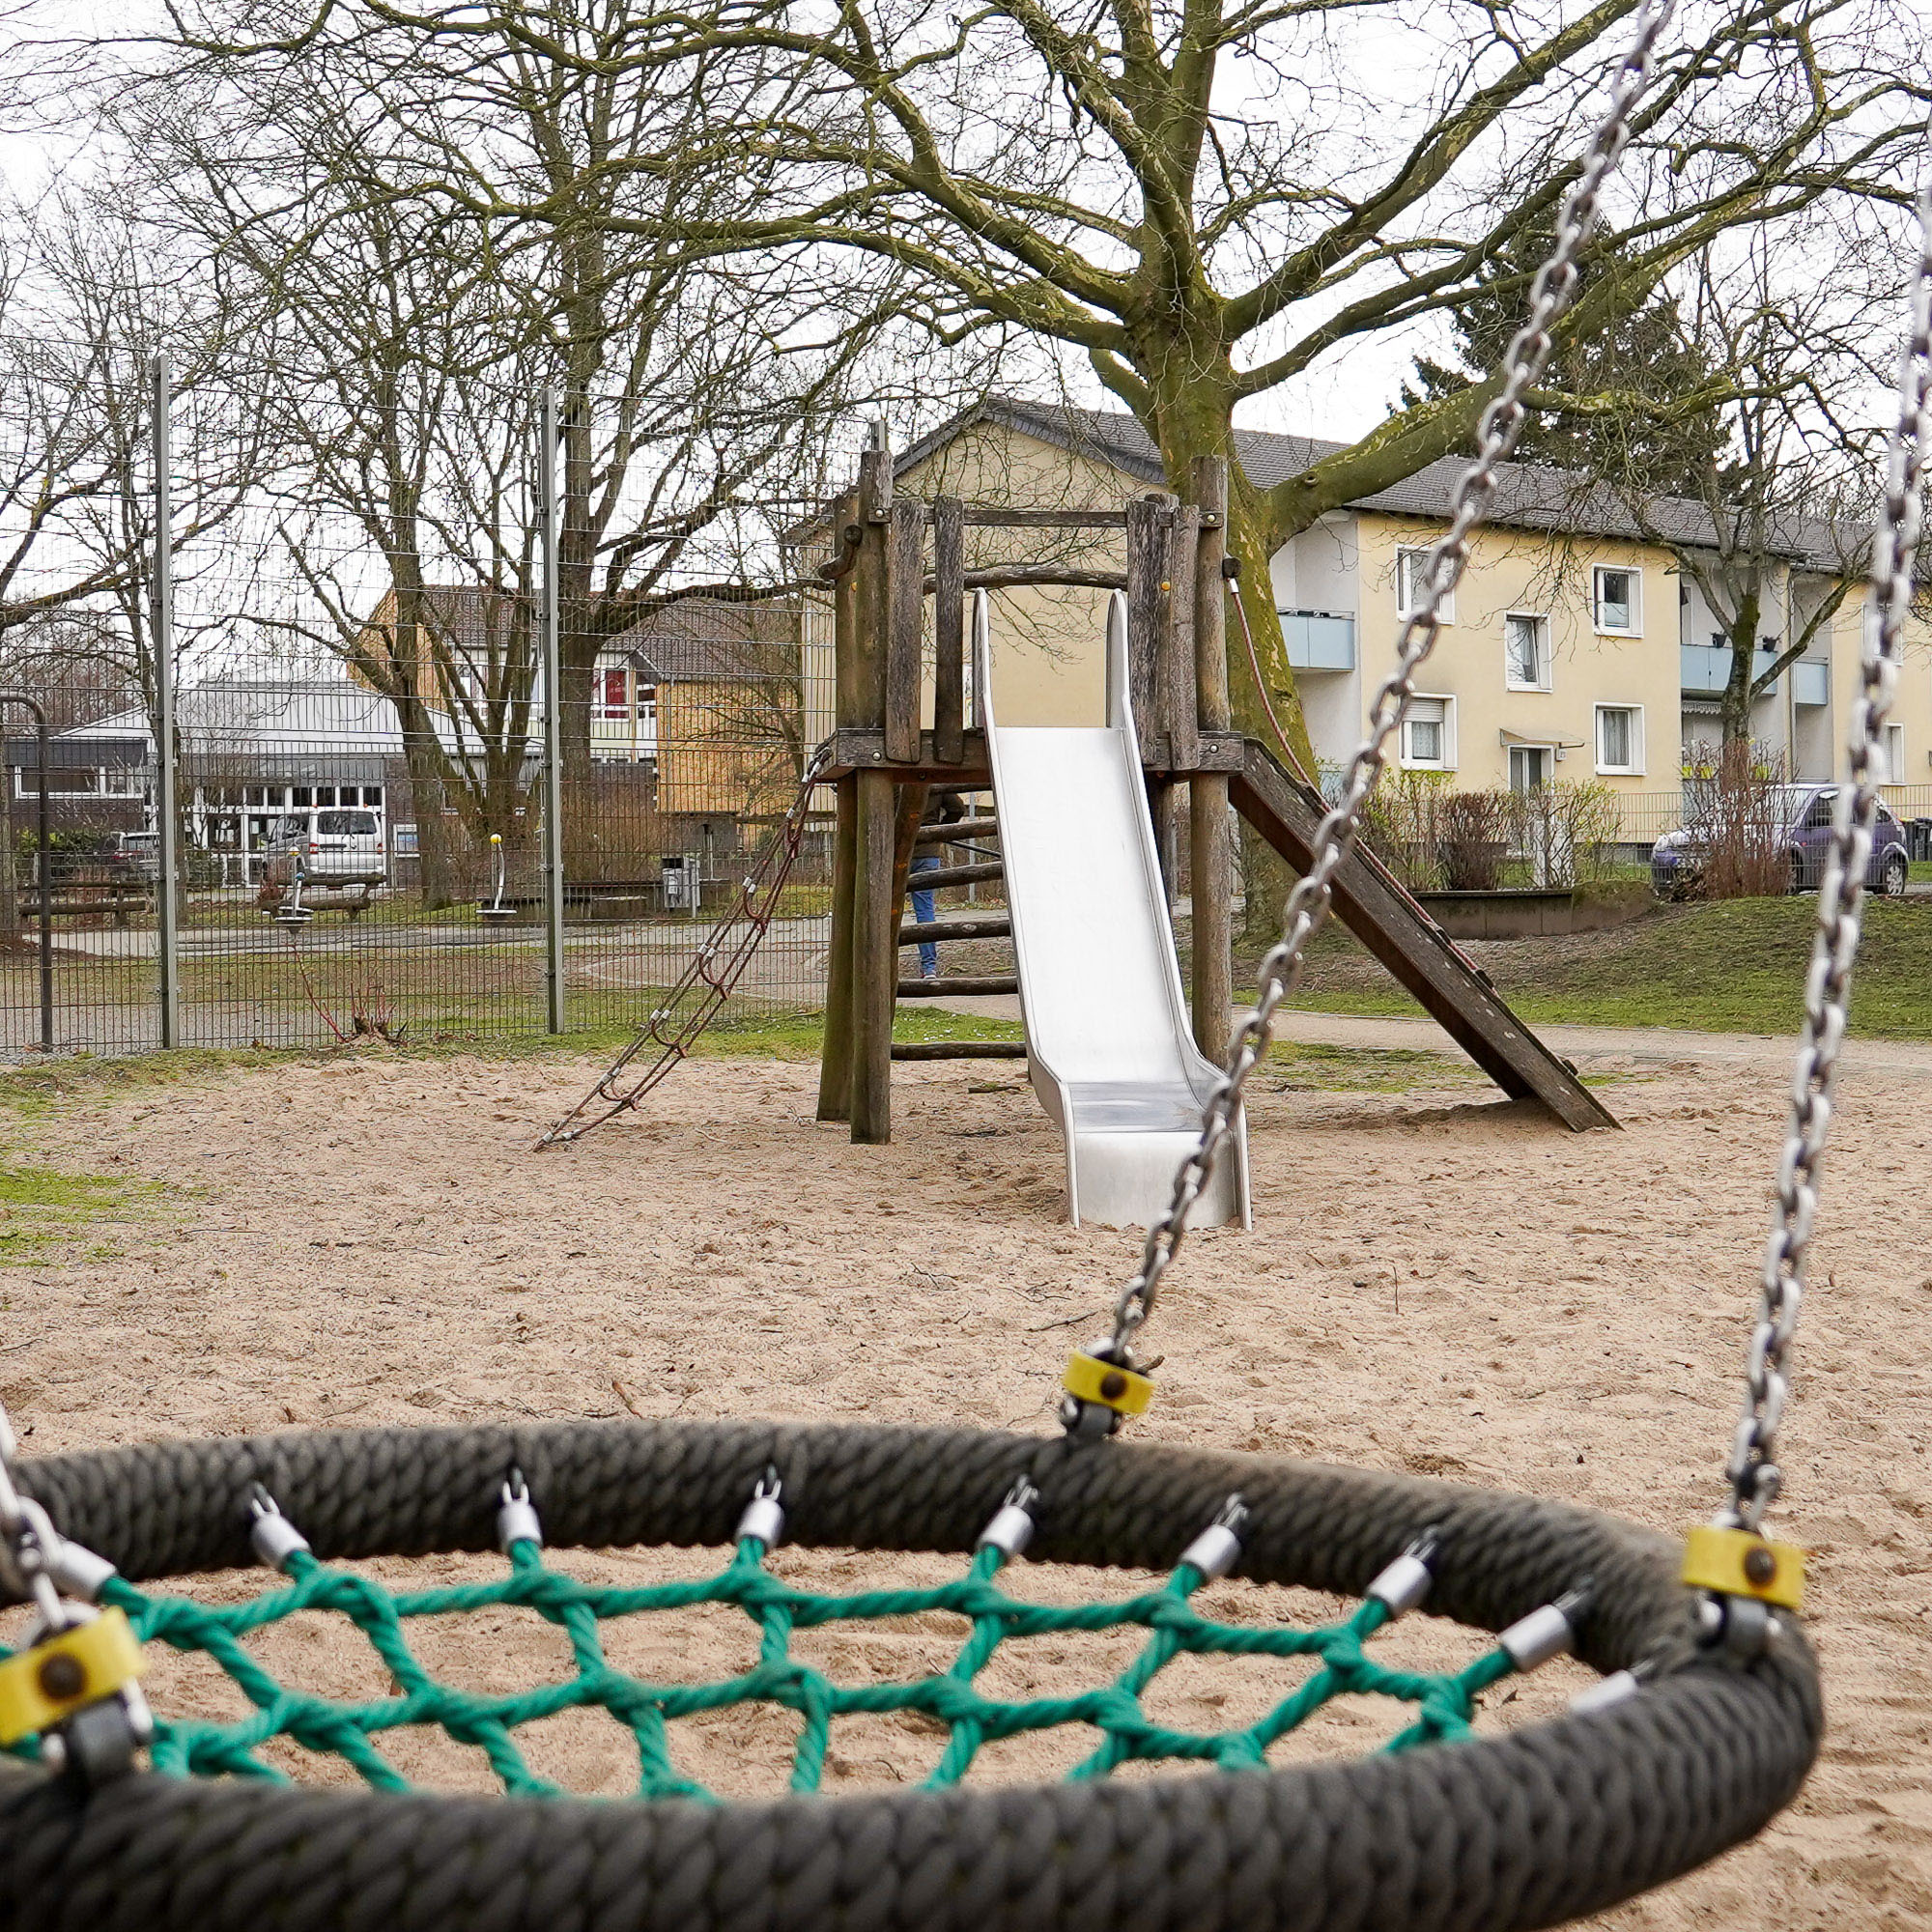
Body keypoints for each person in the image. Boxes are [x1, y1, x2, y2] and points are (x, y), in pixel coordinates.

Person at [909, 790, 968, 980]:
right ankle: (929, 967)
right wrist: (939, 832)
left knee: (885, 909)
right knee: (925, 910)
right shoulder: (934, 781)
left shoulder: (894, 778)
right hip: (928, 850)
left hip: (896, 848)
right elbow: (957, 808)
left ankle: (881, 961)